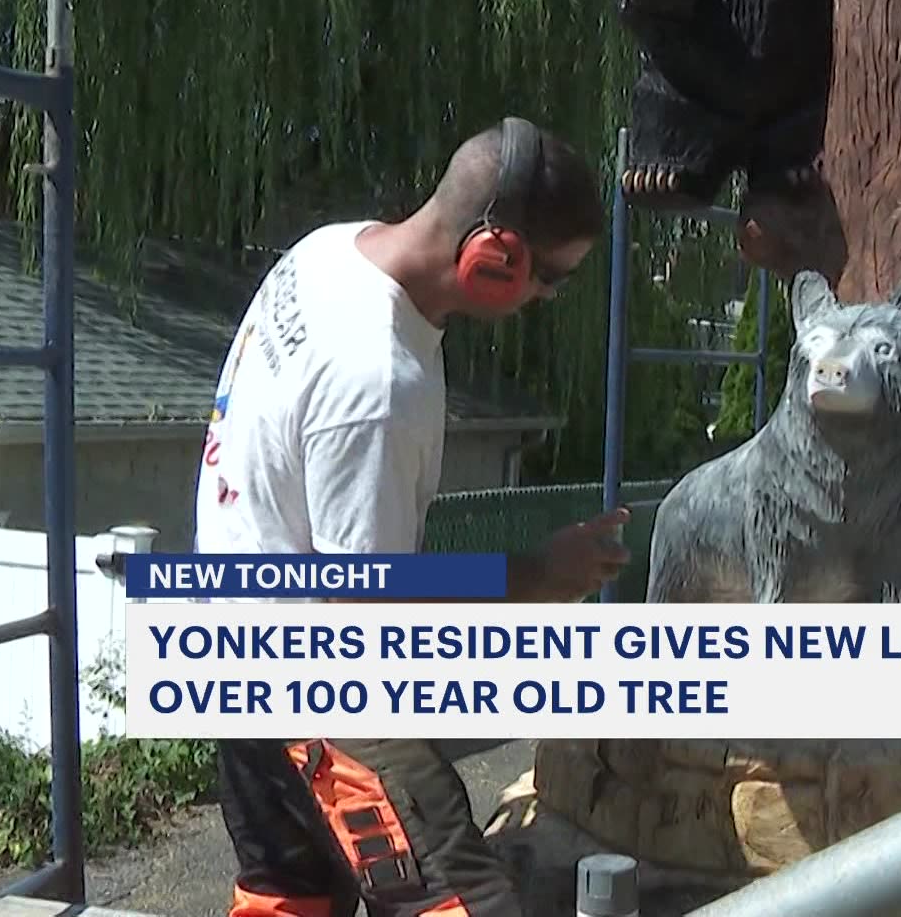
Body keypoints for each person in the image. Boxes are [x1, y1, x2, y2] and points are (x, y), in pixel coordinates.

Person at [194, 117, 628, 917]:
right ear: (493, 260)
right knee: (465, 904)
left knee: (286, 898)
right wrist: (541, 577)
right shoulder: (376, 382)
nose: (545, 299)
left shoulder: (331, 250)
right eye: (551, 278)